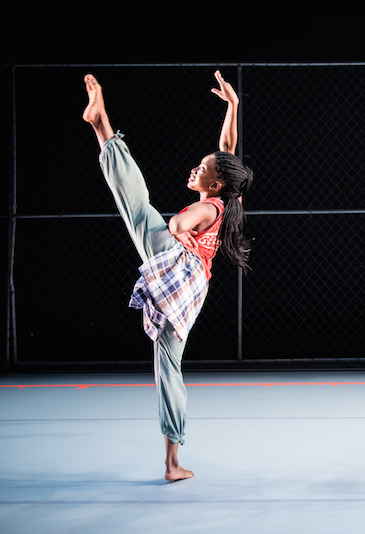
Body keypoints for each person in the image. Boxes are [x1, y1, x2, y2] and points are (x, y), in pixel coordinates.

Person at [82, 71, 253, 481]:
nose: (195, 168)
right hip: (193, 288)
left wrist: (178, 226)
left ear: (216, 183)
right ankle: (172, 463)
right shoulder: (229, 198)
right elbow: (226, 149)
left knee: (139, 206)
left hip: (178, 265)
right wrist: (233, 106)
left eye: (202, 168)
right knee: (169, 366)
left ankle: (103, 127)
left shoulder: (209, 207)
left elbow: (178, 224)